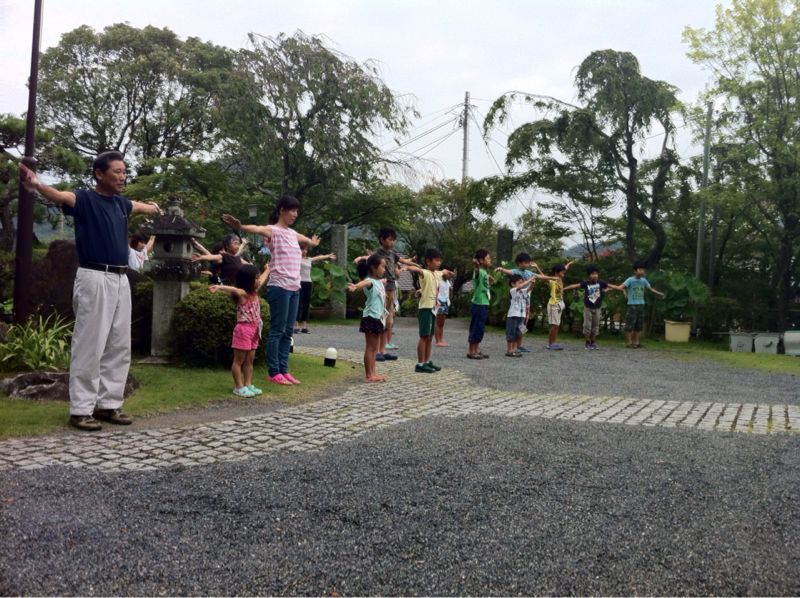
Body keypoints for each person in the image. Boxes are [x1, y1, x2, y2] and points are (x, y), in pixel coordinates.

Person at [19, 152, 162, 431]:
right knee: (90, 343)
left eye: (124, 172)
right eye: (117, 171)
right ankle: (81, 409)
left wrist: (155, 208)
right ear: (99, 173)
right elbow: (59, 196)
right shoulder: (84, 199)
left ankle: (109, 404)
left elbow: (139, 206)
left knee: (119, 344)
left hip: (121, 278)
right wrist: (37, 185)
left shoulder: (121, 204)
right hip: (94, 275)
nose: (122, 176)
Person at [222, 197, 320, 385]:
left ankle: (284, 369)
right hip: (280, 287)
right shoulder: (273, 231)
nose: (295, 214)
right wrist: (241, 226)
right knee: (277, 330)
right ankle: (274, 371)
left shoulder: (292, 233)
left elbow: (306, 240)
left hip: (295, 287)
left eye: (297, 211)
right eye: (292, 210)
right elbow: (257, 228)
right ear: (282, 210)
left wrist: (313, 243)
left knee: (288, 332)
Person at [209, 263, 270, 397]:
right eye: (256, 278)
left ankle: (248, 384)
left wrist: (268, 269)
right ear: (248, 280)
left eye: (258, 278)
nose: (259, 280)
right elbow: (234, 289)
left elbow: (264, 278)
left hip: (254, 329)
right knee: (239, 360)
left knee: (249, 360)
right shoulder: (243, 294)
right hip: (243, 329)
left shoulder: (255, 292)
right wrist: (219, 287)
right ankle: (238, 387)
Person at [354, 228, 416, 360]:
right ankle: (375, 351)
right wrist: (359, 258)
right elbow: (367, 259)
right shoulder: (377, 254)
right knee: (378, 318)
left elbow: (404, 261)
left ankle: (383, 350)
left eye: (394, 240)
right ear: (382, 239)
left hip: (392, 289)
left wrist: (415, 264)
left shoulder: (393, 254)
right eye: (390, 239)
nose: (392, 242)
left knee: (388, 321)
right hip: (381, 289)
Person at [403, 249, 455, 373]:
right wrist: (408, 268)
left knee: (430, 337)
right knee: (424, 336)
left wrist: (450, 274)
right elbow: (418, 270)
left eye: (440, 260)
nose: (439, 263)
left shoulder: (437, 274)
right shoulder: (425, 272)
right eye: (436, 260)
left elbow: (445, 272)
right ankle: (420, 363)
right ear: (428, 261)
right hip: (425, 308)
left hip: (433, 308)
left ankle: (426, 361)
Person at [347, 254, 388, 383]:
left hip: (378, 317)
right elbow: (365, 282)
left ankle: (373, 372)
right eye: (382, 266)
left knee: (374, 348)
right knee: (370, 347)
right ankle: (369, 375)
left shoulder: (379, 282)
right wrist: (355, 286)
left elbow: (381, 282)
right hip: (371, 317)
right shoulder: (370, 281)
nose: (384, 269)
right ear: (374, 268)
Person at [564, 265, 624, 350]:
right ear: (589, 275)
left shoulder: (601, 282)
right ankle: (587, 342)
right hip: (588, 308)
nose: (595, 275)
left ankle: (593, 342)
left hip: (597, 308)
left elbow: (611, 285)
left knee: (595, 326)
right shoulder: (586, 283)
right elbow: (575, 285)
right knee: (587, 326)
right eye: (592, 274)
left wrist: (620, 289)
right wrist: (564, 288)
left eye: (596, 273)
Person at [494, 252, 543, 352]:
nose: (526, 264)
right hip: (516, 309)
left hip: (526, 304)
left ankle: (518, 346)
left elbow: (543, 277)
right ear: (519, 263)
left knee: (523, 325)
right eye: (524, 262)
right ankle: (513, 348)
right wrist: (501, 269)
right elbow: (507, 271)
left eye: (527, 262)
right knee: (513, 329)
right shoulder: (515, 276)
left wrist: (539, 270)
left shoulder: (529, 274)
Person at [622, 260, 665, 348]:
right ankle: (629, 342)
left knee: (639, 324)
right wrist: (624, 292)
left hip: (641, 304)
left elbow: (650, 288)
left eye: (643, 270)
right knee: (630, 324)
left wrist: (659, 293)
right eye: (640, 269)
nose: (642, 271)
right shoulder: (630, 280)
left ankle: (636, 342)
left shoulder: (644, 280)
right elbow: (622, 287)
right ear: (635, 271)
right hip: (632, 305)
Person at [295, 248, 336, 334]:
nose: (304, 251)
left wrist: (328, 256)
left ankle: (304, 327)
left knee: (306, 305)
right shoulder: (296, 258)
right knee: (298, 304)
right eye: (302, 249)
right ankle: (296, 326)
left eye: (305, 250)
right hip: (299, 283)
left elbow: (319, 257)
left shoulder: (309, 259)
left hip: (308, 283)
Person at [467, 249, 493, 359]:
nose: (490, 260)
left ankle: (476, 349)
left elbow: (485, 282)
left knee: (480, 327)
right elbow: (477, 273)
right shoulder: (479, 271)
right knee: (476, 326)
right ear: (481, 260)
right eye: (488, 258)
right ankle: (471, 351)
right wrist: (476, 266)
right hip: (478, 303)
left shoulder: (485, 272)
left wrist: (490, 279)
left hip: (484, 303)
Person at [505, 273, 537, 357]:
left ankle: (515, 349)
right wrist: (529, 280)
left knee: (518, 333)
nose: (521, 284)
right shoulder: (513, 290)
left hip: (521, 316)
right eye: (519, 282)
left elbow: (529, 289)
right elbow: (519, 287)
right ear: (513, 284)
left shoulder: (523, 291)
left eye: (521, 282)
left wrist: (532, 283)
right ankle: (509, 350)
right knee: (511, 333)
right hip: (513, 316)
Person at [545, 261, 575, 350]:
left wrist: (569, 264)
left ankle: (553, 342)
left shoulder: (560, 279)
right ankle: (550, 344)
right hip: (553, 305)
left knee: (557, 325)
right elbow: (544, 277)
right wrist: (536, 267)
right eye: (562, 272)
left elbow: (565, 267)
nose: (563, 273)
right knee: (553, 325)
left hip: (559, 304)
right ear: (557, 272)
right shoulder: (552, 280)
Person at [433, 265, 453, 347]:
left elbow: (453, 274)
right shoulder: (439, 280)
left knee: (442, 323)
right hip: (439, 302)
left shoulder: (447, 282)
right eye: (447, 273)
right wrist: (436, 302)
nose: (449, 275)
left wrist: (448, 271)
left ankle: (441, 339)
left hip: (445, 302)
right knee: (438, 322)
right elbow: (436, 291)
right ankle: (438, 340)